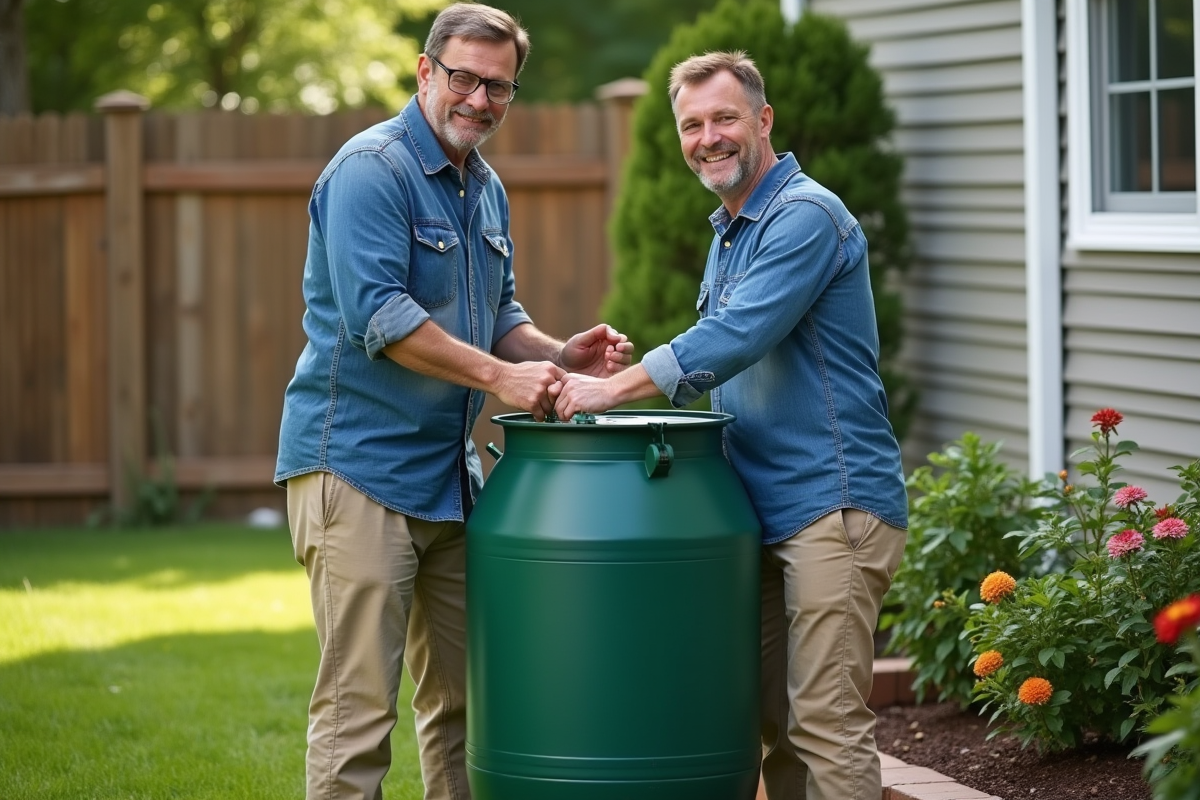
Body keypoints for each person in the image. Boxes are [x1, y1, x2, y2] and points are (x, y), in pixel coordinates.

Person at [274, 5, 633, 799]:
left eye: (498, 87)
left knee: (468, 706)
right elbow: (383, 318)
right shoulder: (371, 169)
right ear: (426, 72)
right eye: (464, 78)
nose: (478, 99)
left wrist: (554, 354)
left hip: (449, 482)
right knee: (357, 714)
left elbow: (498, 313)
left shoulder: (485, 187)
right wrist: (503, 381)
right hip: (357, 472)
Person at [550, 51, 908, 800]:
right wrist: (632, 368)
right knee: (770, 716)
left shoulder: (806, 215)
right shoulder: (733, 229)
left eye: (723, 118)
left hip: (830, 505)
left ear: (763, 120)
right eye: (691, 125)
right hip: (762, 508)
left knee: (825, 720)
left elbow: (736, 337)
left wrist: (612, 390)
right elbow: (722, 370)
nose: (707, 137)